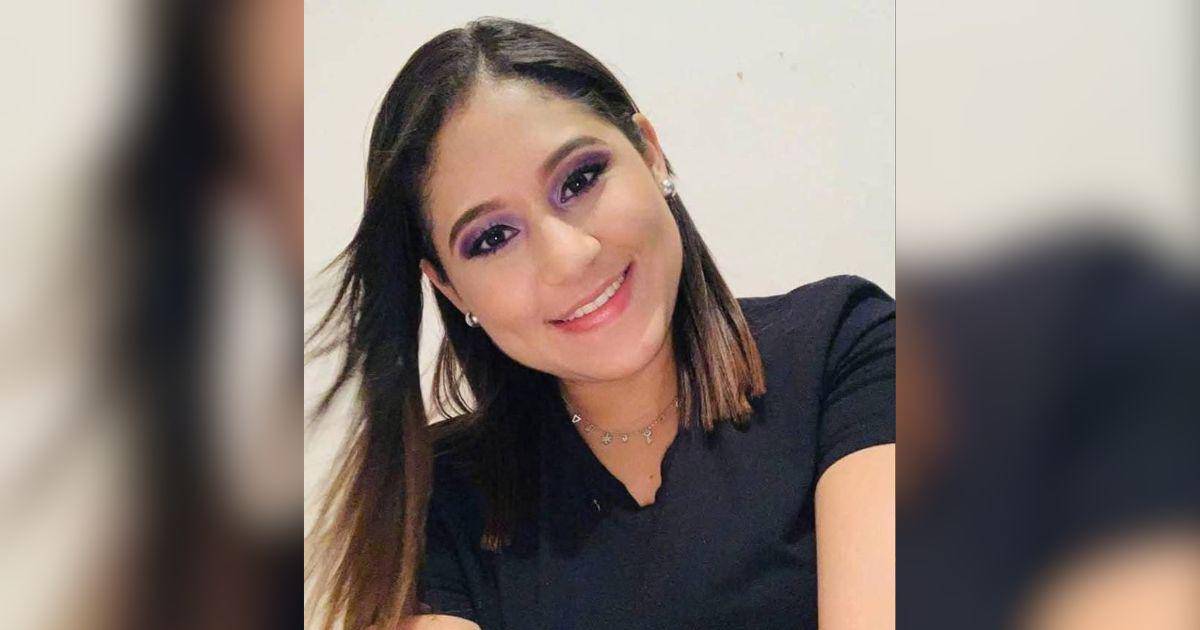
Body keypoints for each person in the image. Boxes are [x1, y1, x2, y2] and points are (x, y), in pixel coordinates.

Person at [306, 17, 895, 630]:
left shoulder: (844, 352)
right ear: (449, 286)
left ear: (649, 152)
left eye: (580, 179)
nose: (568, 258)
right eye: (493, 237)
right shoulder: (438, 501)